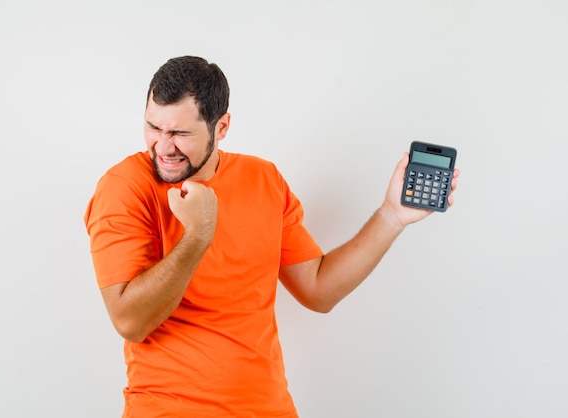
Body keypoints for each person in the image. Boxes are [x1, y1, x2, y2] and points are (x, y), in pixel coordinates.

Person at [84, 55, 459, 418]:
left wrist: (391, 216)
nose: (163, 147)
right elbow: (130, 322)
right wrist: (198, 236)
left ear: (222, 126)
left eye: (181, 133)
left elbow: (318, 290)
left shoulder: (264, 179)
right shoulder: (124, 187)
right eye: (154, 127)